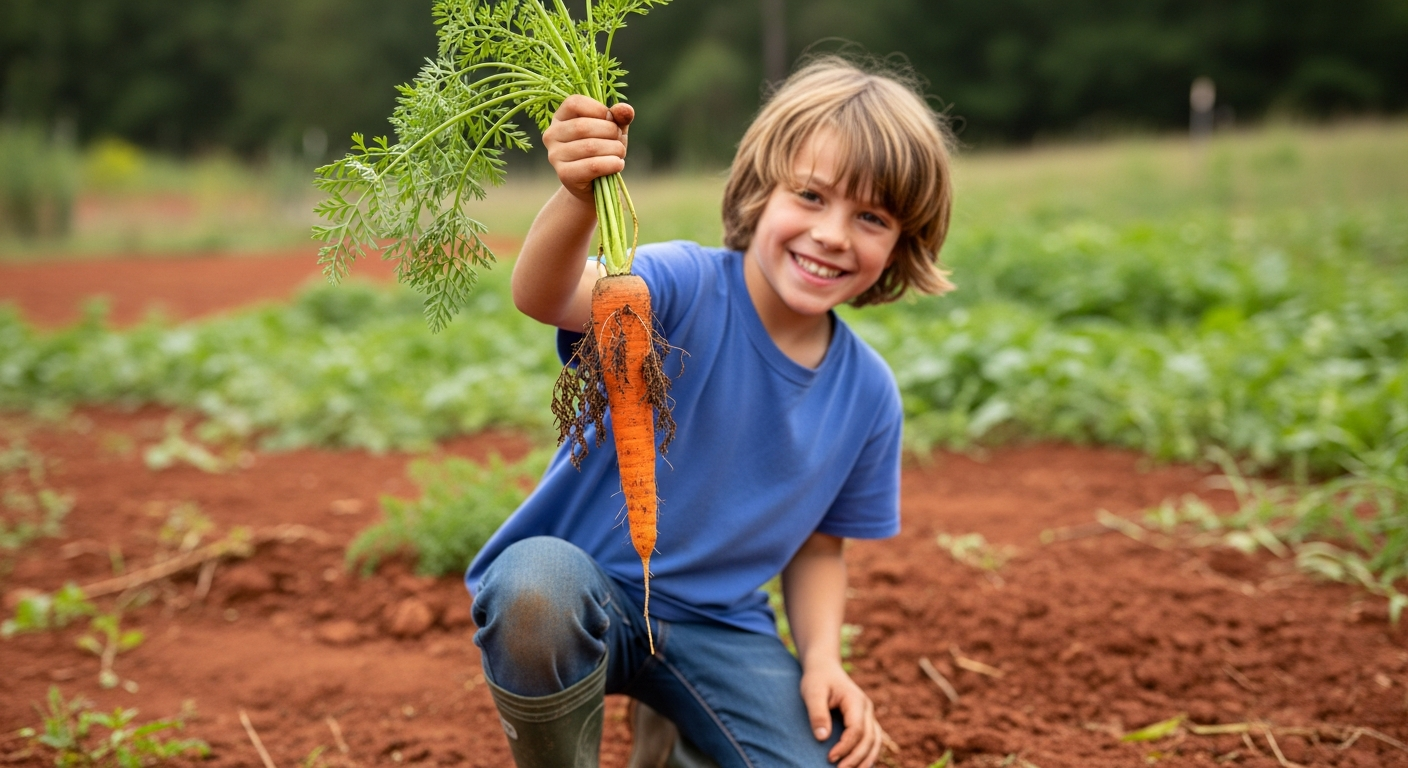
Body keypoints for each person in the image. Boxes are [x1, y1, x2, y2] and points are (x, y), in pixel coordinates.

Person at [465, 56, 956, 768]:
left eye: (871, 217)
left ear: (902, 245)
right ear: (760, 191)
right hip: (588, 595)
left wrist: (822, 660)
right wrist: (576, 196)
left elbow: (821, 548)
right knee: (534, 590)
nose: (832, 235)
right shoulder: (678, 285)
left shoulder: (869, 395)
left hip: (720, 628)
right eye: (811, 196)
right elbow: (549, 294)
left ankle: (679, 744)